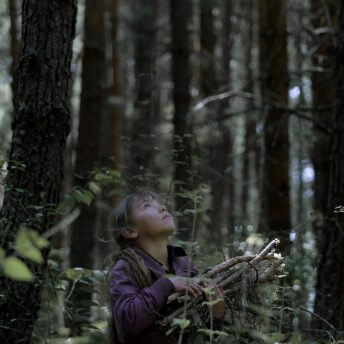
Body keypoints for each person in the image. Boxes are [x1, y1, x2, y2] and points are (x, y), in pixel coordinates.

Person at [107, 191, 226, 344]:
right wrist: (167, 284)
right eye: (147, 206)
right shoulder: (126, 268)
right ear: (130, 231)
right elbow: (128, 323)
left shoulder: (183, 264)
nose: (163, 207)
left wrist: (216, 314)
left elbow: (205, 334)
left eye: (159, 204)